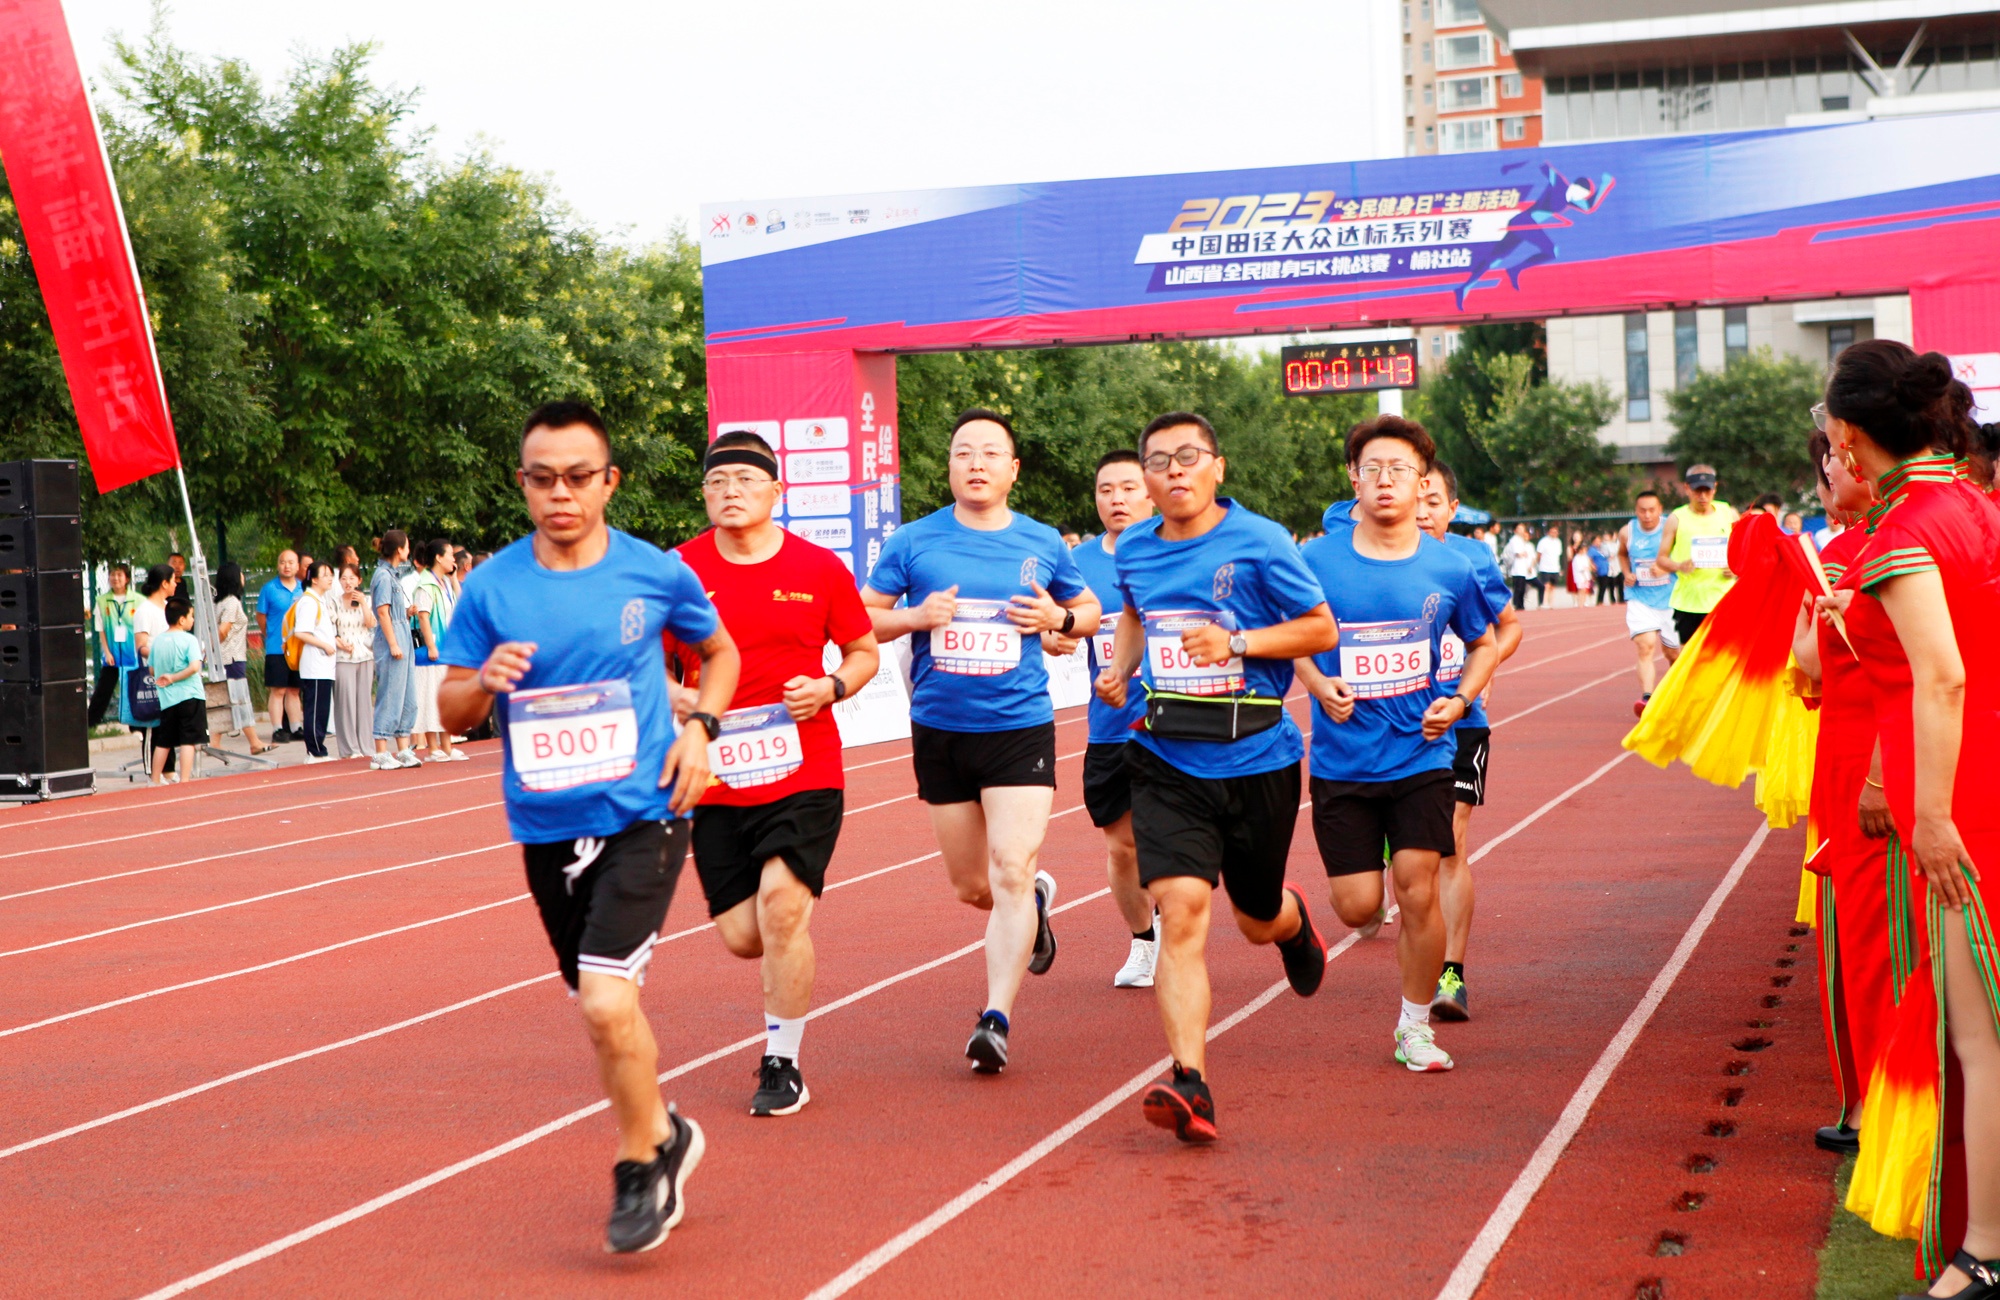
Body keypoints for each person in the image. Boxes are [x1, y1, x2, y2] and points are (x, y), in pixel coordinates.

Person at [437, 399, 739, 1254]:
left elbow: (719, 653)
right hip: (545, 823)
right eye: (542, 479)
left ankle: (638, 1163)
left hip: (647, 809)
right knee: (604, 1013)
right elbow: (451, 707)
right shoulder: (493, 585)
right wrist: (486, 682)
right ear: (524, 483)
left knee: (607, 1000)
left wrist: (701, 728)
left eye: (577, 477)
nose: (559, 494)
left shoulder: (653, 572)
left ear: (609, 482)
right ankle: (667, 1132)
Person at [1813, 341, 2000, 1297]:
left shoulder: (1905, 528)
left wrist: (1931, 819)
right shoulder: (1975, 502)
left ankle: (1989, 1250)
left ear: (1851, 435)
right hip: (1983, 767)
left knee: (1977, 1036)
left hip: (1962, 792)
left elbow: (1944, 675)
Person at [1100, 411, 1335, 1142]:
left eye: (1188, 457)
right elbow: (1136, 615)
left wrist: (1235, 640)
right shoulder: (1135, 546)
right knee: (1181, 912)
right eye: (1160, 460)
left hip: (1257, 757)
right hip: (1167, 758)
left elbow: (1321, 629)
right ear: (1145, 477)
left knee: (1254, 916)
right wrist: (1120, 665)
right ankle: (1190, 1081)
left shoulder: (1260, 541)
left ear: (1217, 468)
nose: (1174, 471)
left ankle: (1293, 925)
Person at [860, 408, 1101, 1074]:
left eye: (990, 453)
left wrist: (1058, 617)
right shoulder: (914, 541)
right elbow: (862, 618)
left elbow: (1086, 612)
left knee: (1012, 868)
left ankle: (995, 1018)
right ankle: (1033, 908)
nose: (976, 463)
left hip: (1018, 724)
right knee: (974, 886)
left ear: (1012, 468)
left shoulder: (1042, 542)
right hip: (940, 728)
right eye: (963, 451)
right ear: (949, 465)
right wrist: (916, 615)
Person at [676, 429, 879, 1117]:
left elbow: (862, 651)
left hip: (804, 764)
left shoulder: (818, 568)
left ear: (776, 490)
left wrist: (831, 687)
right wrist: (677, 698)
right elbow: (643, 659)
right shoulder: (679, 571)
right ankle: (783, 968)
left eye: (745, 480)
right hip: (717, 771)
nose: (730, 492)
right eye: (717, 482)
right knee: (744, 937)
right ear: (704, 494)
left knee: (784, 908)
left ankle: (781, 1062)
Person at [1296, 417, 1498, 1075]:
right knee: (1358, 907)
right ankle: (1308, 918)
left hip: (1422, 754)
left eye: (1401, 470)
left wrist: (1461, 699)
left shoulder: (1451, 565)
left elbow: (1486, 641)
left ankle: (1415, 1027)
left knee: (1416, 887)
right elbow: (1291, 634)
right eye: (1374, 468)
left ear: (1423, 483)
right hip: (1342, 761)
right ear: (1353, 478)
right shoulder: (1315, 560)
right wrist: (1320, 683)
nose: (1387, 481)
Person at [1789, 428, 1890, 1156]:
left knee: (1860, 939)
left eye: (1832, 453)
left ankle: (1867, 1104)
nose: (1828, 467)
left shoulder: (1857, 551)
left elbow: (1816, 667)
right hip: (1867, 759)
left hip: (1866, 767)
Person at [1045, 449, 1159, 988]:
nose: (1116, 499)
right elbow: (1056, 627)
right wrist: (1054, 637)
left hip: (1181, 724)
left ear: (1151, 490)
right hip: (1110, 724)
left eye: (1128, 488)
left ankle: (1177, 923)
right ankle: (1144, 942)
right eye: (1106, 490)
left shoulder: (1178, 550)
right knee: (1122, 845)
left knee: (1178, 839)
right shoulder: (1079, 564)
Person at [1414, 461, 1521, 1022]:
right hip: (1392, 725)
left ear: (1453, 509)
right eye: (1417, 496)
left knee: (1451, 843)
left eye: (1435, 500)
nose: (1423, 509)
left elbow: (1510, 626)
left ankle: (1452, 973)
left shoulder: (1473, 558)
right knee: (1411, 856)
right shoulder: (1373, 550)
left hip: (1461, 720)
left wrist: (1479, 673)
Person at [1655, 464, 1739, 647]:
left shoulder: (1729, 513)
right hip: (1689, 602)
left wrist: (1736, 568)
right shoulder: (1676, 518)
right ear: (1687, 488)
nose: (1702, 496)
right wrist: (1679, 566)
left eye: (1707, 491)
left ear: (1715, 487)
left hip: (1723, 599)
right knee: (1690, 657)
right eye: (1697, 491)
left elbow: (1745, 550)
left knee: (1723, 655)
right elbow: (1661, 559)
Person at [1618, 490, 1682, 716]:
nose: (1647, 515)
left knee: (1673, 653)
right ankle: (1647, 697)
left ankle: (1678, 693)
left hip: (1670, 599)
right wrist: (1626, 572)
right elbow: (1622, 554)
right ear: (1636, 511)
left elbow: (1685, 558)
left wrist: (1665, 566)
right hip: (1640, 598)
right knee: (1645, 646)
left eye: (1651, 510)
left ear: (1660, 510)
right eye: (1642, 510)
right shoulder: (1628, 532)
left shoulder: (1671, 528)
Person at [410, 537, 464, 762]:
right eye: (450, 554)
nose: (454, 558)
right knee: (431, 697)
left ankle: (447, 746)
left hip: (447, 649)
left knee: (445, 699)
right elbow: (423, 615)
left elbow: (462, 604)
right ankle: (433, 748)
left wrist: (453, 580)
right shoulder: (426, 584)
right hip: (433, 650)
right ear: (439, 558)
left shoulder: (443, 582)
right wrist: (431, 646)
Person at [370, 531, 421, 770]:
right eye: (407, 546)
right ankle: (380, 752)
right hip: (392, 639)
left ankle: (402, 748)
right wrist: (392, 644)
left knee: (407, 695)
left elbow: (393, 611)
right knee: (391, 693)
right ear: (399, 549)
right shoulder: (382, 576)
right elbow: (382, 612)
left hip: (402, 634)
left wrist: (406, 613)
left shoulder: (394, 575)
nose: (408, 550)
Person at [148, 596, 206, 786]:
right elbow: (194, 667)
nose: (193, 620)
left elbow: (152, 669)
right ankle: (185, 779)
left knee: (164, 740)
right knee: (188, 740)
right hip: (190, 695)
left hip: (167, 699)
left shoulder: (157, 641)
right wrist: (174, 677)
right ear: (182, 619)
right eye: (191, 616)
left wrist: (166, 678)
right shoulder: (189, 640)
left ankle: (155, 779)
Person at [211, 563, 267, 753]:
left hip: (223, 659)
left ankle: (215, 743)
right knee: (240, 699)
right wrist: (212, 647)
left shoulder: (216, 602)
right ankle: (254, 742)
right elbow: (223, 631)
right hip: (233, 658)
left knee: (222, 699)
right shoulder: (232, 603)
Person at [287, 561, 339, 763]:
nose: (330, 578)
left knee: (322, 708)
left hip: (323, 666)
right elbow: (301, 632)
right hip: (315, 665)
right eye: (325, 574)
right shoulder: (308, 602)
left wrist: (335, 644)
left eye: (330, 574)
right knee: (315, 708)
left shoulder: (318, 601)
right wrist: (324, 645)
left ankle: (318, 748)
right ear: (314, 579)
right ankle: (315, 751)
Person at [257, 551, 304, 743]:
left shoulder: (303, 589)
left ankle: (296, 726)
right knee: (278, 690)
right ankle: (277, 728)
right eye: (283, 562)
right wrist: (272, 636)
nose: (287, 566)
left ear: (298, 566)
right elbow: (261, 618)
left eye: (291, 562)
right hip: (277, 648)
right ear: (278, 565)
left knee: (294, 689)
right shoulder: (269, 589)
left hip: (299, 649)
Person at [331, 563, 376, 760]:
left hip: (365, 655)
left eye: (352, 578)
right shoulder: (333, 601)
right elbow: (330, 629)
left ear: (359, 580)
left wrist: (364, 604)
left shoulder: (367, 600)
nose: (348, 582)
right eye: (344, 578)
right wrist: (339, 643)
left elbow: (371, 624)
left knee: (364, 702)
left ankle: (366, 746)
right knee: (346, 703)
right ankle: (349, 748)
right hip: (343, 657)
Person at [88, 563, 140, 727]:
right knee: (104, 689)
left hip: (133, 655)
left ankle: (137, 722)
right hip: (112, 655)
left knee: (135, 688)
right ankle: (91, 722)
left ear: (127, 579)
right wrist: (107, 652)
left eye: (119, 575)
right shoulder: (102, 601)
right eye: (112, 575)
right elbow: (101, 629)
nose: (115, 578)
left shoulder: (139, 601)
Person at [1501, 523, 1536, 611]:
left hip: (1522, 568)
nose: (1521, 530)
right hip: (1517, 568)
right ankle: (1516, 604)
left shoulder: (1521, 540)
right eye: (1519, 528)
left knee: (1522, 588)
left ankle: (1521, 605)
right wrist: (1522, 554)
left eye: (1522, 528)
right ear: (1515, 530)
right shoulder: (1514, 540)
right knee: (1518, 588)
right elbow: (1518, 553)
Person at [1535, 524, 1563, 608]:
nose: (1554, 533)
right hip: (1545, 567)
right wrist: (1539, 564)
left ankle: (1551, 604)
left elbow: (1558, 555)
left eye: (1555, 532)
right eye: (1552, 532)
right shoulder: (1543, 541)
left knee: (1552, 587)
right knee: (1546, 586)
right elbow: (1539, 554)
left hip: (1555, 568)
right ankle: (1544, 603)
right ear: (1548, 532)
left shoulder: (1558, 542)